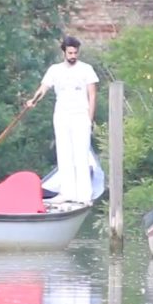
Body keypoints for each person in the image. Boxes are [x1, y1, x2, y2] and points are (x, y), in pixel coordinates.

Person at [25, 35, 99, 204]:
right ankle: (67, 193)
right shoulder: (55, 70)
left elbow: (92, 95)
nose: (73, 56)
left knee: (81, 155)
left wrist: (90, 119)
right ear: (64, 52)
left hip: (81, 115)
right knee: (64, 154)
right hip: (62, 115)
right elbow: (43, 88)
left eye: (75, 53)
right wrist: (33, 100)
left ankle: (84, 195)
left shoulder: (86, 69)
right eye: (70, 52)